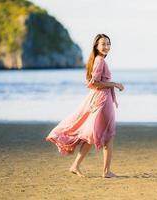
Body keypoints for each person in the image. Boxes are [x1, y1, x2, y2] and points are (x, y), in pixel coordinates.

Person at [46, 34, 124, 178]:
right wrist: (115, 84)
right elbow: (93, 83)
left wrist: (113, 95)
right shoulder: (100, 61)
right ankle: (106, 172)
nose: (106, 46)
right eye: (103, 44)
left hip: (101, 99)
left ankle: (75, 165)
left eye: (108, 43)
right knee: (108, 136)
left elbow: (93, 83)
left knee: (91, 136)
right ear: (96, 46)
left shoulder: (97, 60)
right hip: (102, 101)